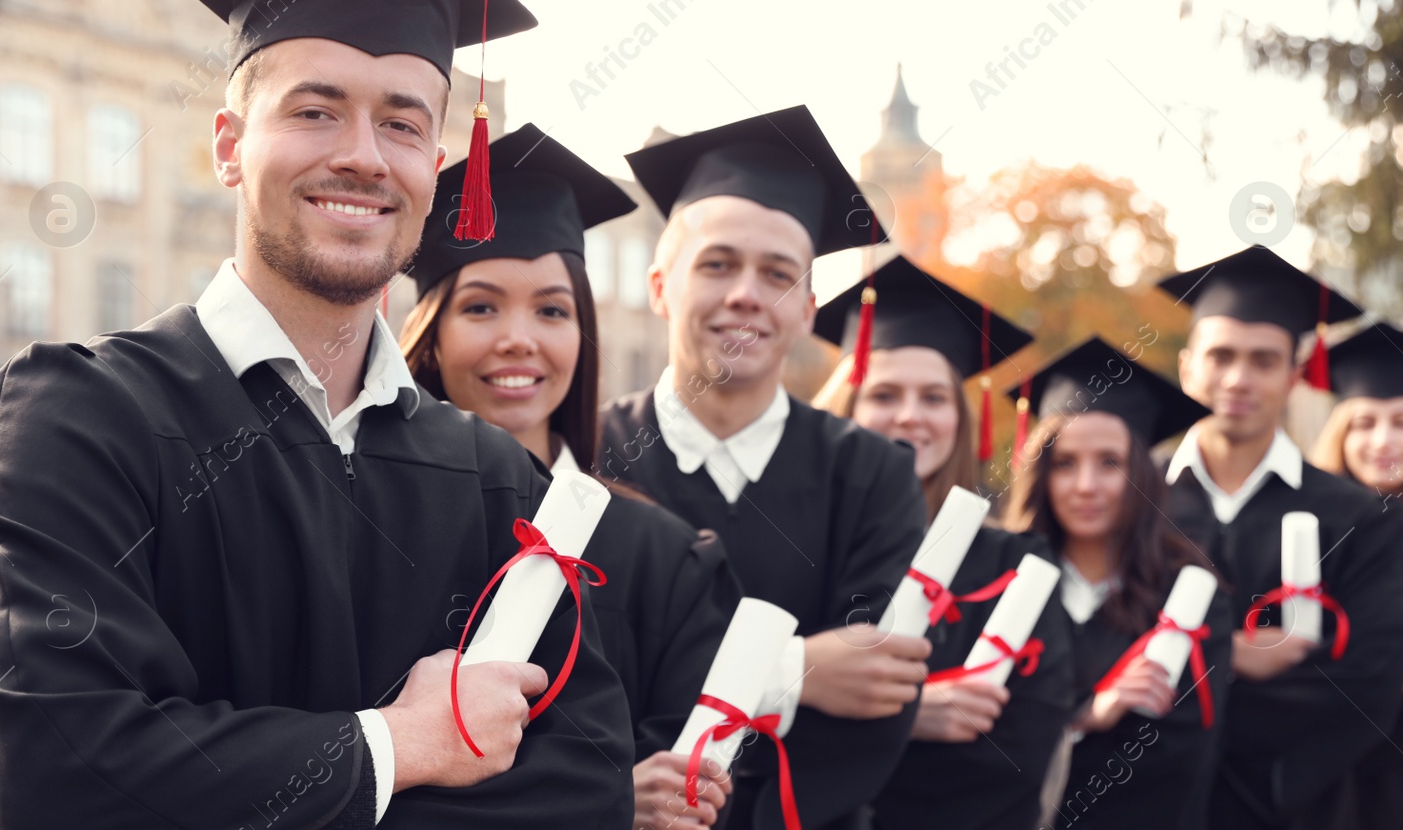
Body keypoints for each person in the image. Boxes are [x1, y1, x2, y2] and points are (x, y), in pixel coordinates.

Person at [0, 4, 636, 828]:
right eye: (315, 112)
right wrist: (402, 744)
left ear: (434, 162)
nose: (362, 156)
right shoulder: (80, 422)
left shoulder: (497, 479)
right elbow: (61, 780)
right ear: (227, 146)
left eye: (400, 123)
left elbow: (584, 791)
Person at [399, 123, 745, 829]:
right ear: (430, 333)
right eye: (481, 306)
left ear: (583, 335)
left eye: (552, 310)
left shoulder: (662, 556)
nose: (519, 337)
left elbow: (693, 775)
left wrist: (659, 799)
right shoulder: (373, 517)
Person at [599, 106, 932, 830]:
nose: (747, 293)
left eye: (778, 274)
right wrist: (799, 670)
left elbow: (880, 690)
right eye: (717, 264)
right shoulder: (583, 460)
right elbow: (576, 686)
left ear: (809, 309)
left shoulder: (874, 477)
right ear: (661, 286)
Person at [809, 256, 1076, 830]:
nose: (911, 417)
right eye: (884, 396)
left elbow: (1021, 747)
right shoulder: (805, 549)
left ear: (960, 416)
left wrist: (851, 730)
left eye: (934, 397)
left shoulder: (1015, 565)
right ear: (847, 408)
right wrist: (910, 716)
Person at [1155, 246, 1403, 830]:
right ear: (1186, 366)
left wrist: (1190, 682)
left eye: (1264, 360)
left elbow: (1367, 687)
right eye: (1220, 356)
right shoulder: (1136, 502)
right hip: (1144, 800)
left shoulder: (1361, 518)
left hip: (1292, 809)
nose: (1239, 380)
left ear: (1295, 376)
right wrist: (1230, 657)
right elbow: (1098, 657)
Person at [995, 337, 1233, 830]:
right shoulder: (998, 581)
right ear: (1041, 472)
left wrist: (1049, 732)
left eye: (1109, 463)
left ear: (1141, 474)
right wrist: (1087, 718)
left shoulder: (1189, 598)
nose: (1086, 485)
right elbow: (974, 738)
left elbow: (1176, 758)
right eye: (1065, 463)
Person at [1308, 322, 1403, 829]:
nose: (1383, 440)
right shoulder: (1301, 537)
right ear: (1340, 434)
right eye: (1364, 422)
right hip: (1308, 792)